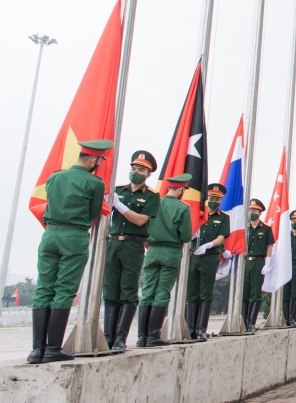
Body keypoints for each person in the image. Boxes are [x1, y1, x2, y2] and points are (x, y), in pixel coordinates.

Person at [30, 139, 109, 364]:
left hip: (50, 234)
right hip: (74, 236)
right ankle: (53, 347)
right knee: (64, 289)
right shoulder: (95, 183)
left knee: (44, 288)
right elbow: (95, 212)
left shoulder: (55, 177)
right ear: (94, 160)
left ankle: (37, 350)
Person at [104, 149, 159, 352]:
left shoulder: (152, 196)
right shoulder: (118, 189)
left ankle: (120, 338)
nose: (136, 172)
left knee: (128, 291)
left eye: (141, 169)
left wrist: (118, 206)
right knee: (110, 290)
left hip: (133, 245)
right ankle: (107, 336)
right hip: (113, 242)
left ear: (148, 174)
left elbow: (140, 220)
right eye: (134, 168)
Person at [138, 172, 194, 347]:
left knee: (147, 291)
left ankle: (141, 337)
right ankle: (153, 336)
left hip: (152, 250)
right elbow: (185, 236)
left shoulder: (155, 203)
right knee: (162, 293)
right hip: (171, 251)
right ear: (181, 190)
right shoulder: (183, 208)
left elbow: (145, 226)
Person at [186, 184, 229, 340]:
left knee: (206, 293)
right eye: (211, 198)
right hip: (193, 256)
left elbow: (221, 237)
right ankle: (190, 328)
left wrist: (209, 245)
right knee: (192, 292)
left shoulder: (223, 218)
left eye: (217, 199)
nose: (213, 201)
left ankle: (201, 328)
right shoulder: (197, 213)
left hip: (210, 257)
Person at [242, 198, 274, 331]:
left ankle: (251, 322)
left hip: (258, 262)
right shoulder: (244, 226)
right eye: (250, 210)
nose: (252, 212)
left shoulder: (266, 228)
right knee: (244, 292)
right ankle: (243, 321)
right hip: (245, 261)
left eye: (254, 210)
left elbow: (269, 246)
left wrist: (267, 262)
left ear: (260, 212)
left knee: (255, 293)